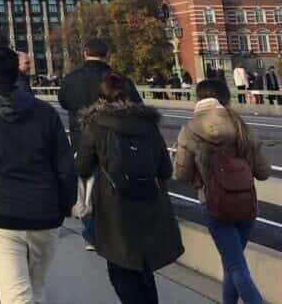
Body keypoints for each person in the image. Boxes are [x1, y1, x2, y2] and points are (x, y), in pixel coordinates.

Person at [0, 46, 75, 304]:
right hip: (44, 215)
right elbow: (64, 166)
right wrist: (63, 208)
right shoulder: (45, 112)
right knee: (35, 290)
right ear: (17, 72)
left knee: (16, 296)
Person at [75, 71, 182, 304]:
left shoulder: (96, 126)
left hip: (114, 207)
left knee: (120, 268)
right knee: (144, 268)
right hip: (149, 202)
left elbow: (82, 167)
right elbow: (165, 168)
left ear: (101, 98)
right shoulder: (148, 124)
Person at [173, 78, 272, 304]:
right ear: (225, 98)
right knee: (233, 263)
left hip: (214, 203)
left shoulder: (190, 130)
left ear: (199, 99)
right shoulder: (240, 125)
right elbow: (264, 171)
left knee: (235, 265)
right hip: (246, 202)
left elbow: (181, 175)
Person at [58, 37, 142, 248]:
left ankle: (91, 232)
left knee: (85, 190)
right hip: (115, 140)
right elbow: (136, 108)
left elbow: (64, 101)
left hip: (82, 139)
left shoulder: (71, 79)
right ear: (107, 55)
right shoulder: (119, 79)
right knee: (112, 185)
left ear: (85, 54)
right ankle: (112, 231)